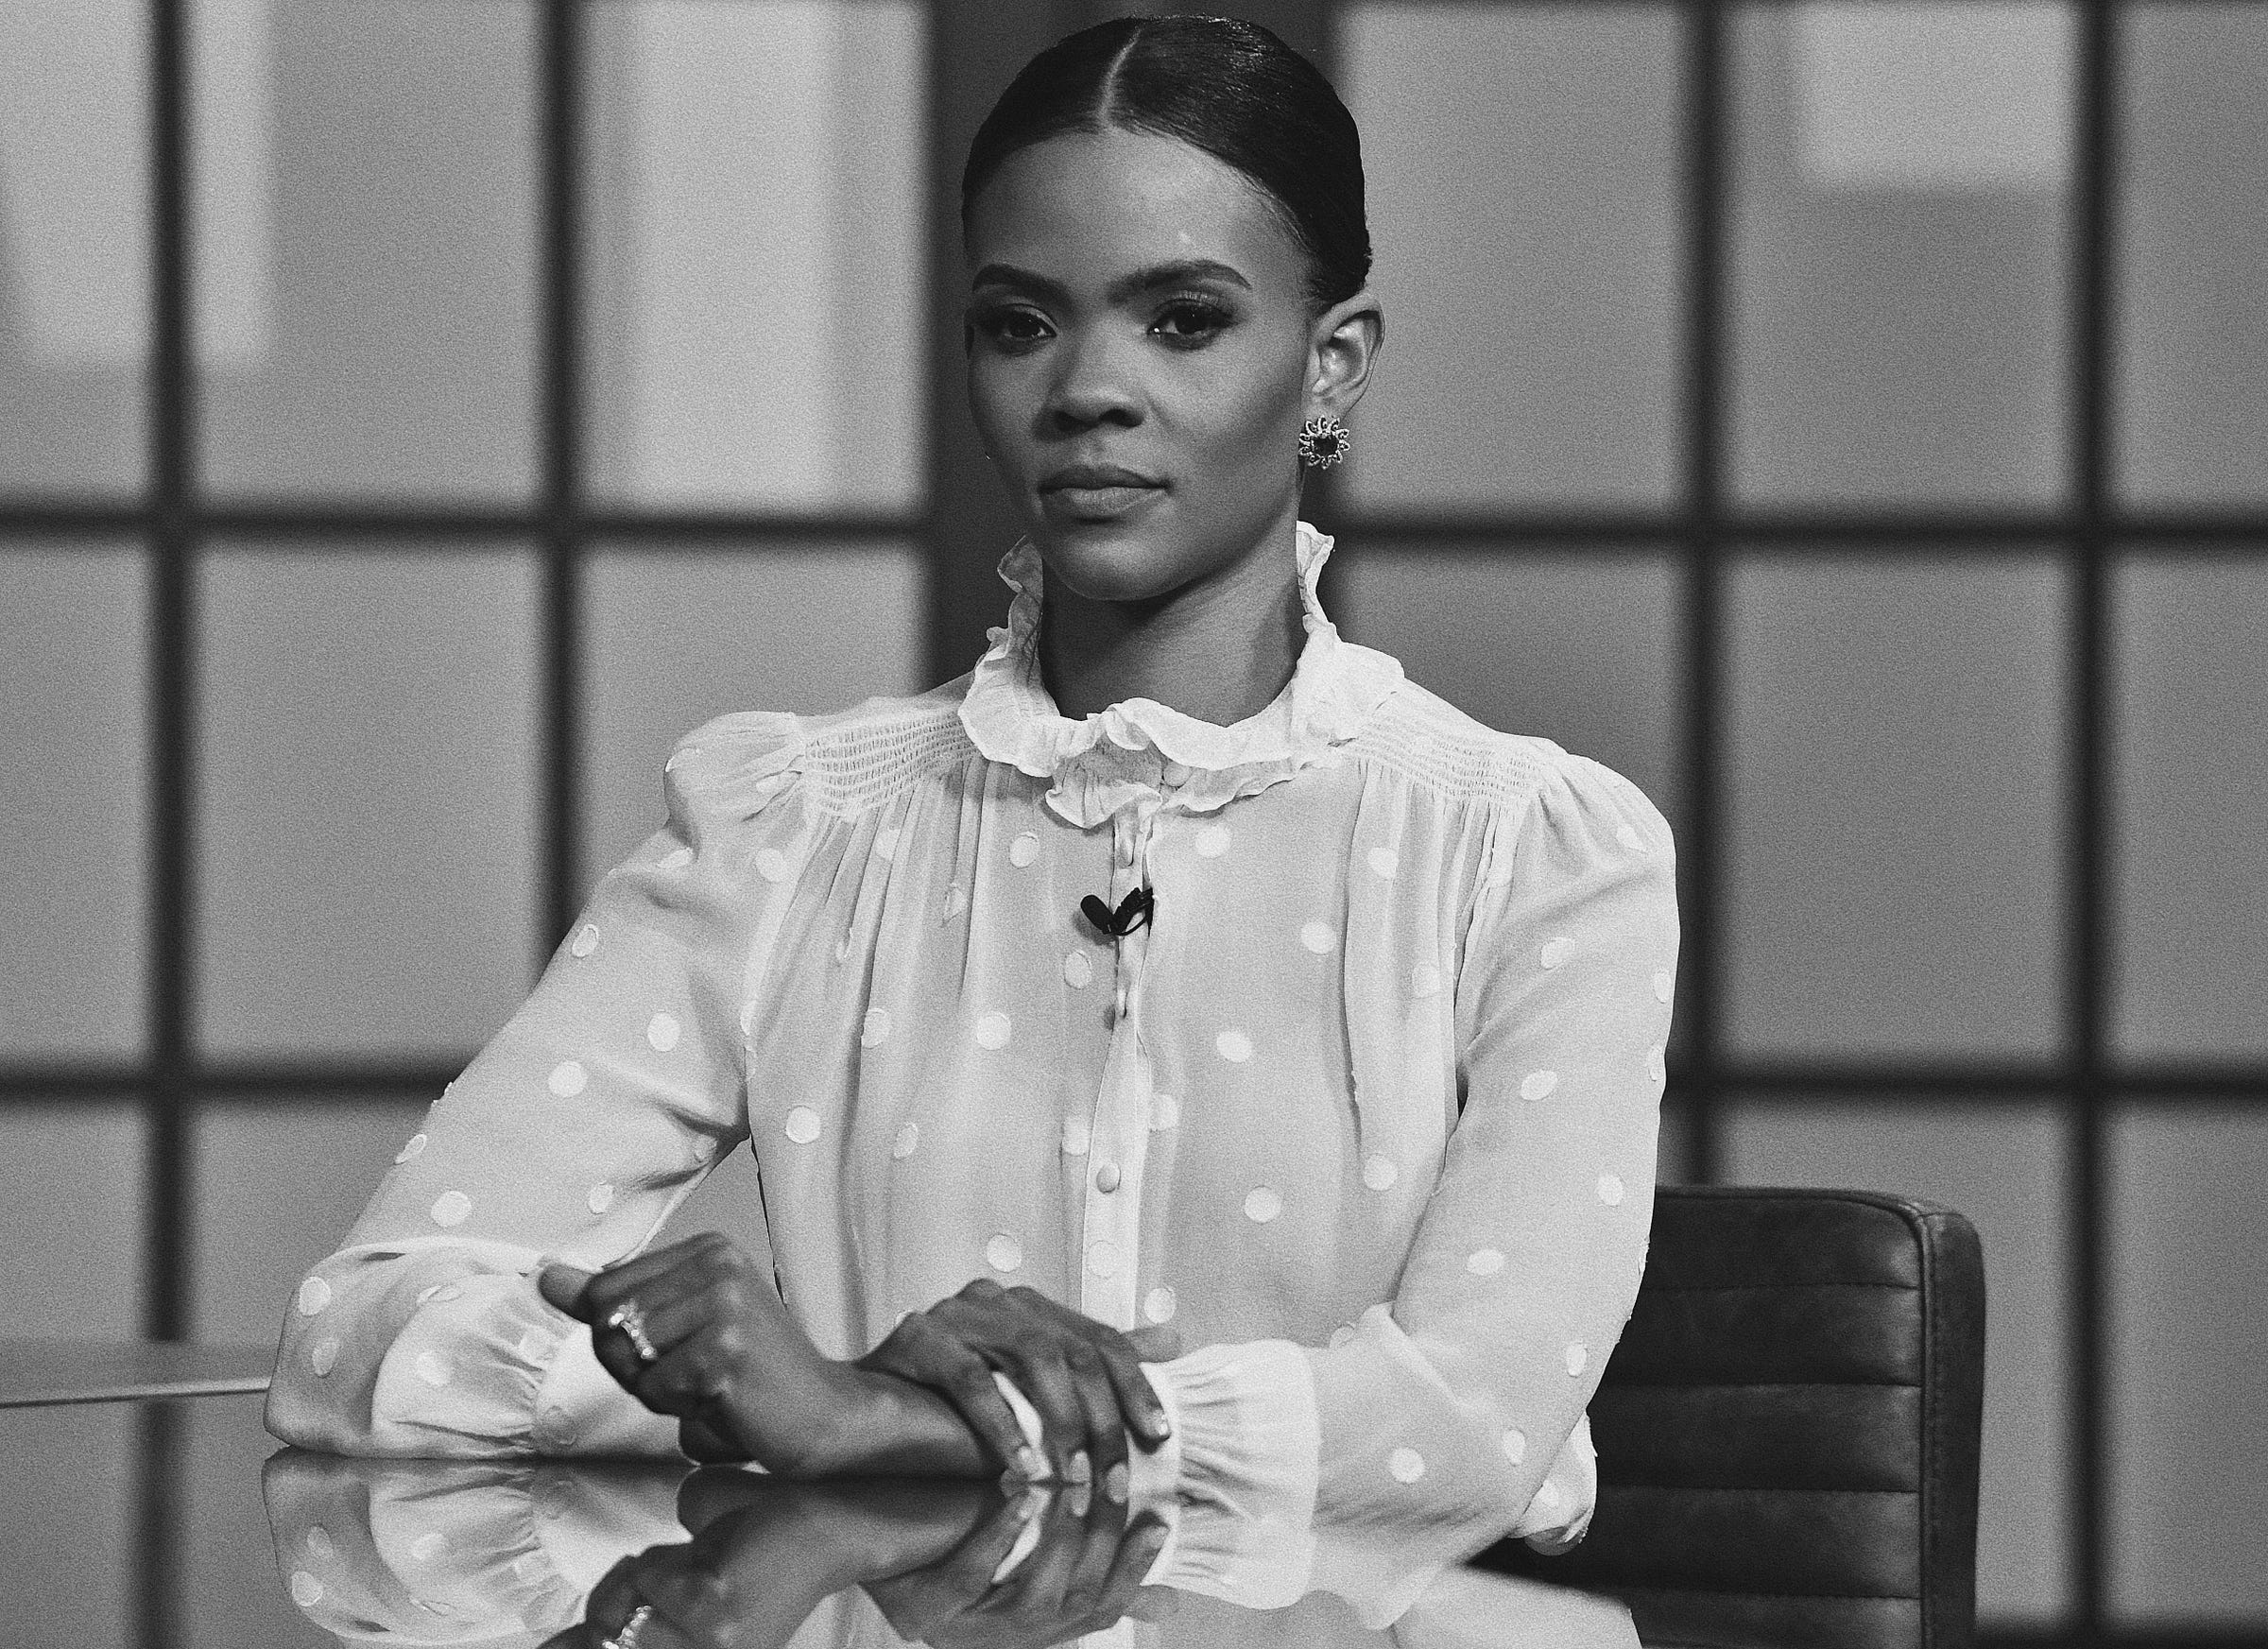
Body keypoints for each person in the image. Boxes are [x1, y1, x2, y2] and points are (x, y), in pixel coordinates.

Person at [266, 12, 1679, 1634]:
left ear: (1333, 363)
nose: (1089, 392)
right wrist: (773, 1398)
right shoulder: (793, 831)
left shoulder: (1534, 855)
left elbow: (1472, 1427)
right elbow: (353, 1332)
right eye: (1021, 325)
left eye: (1184, 320)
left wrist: (891, 1428)